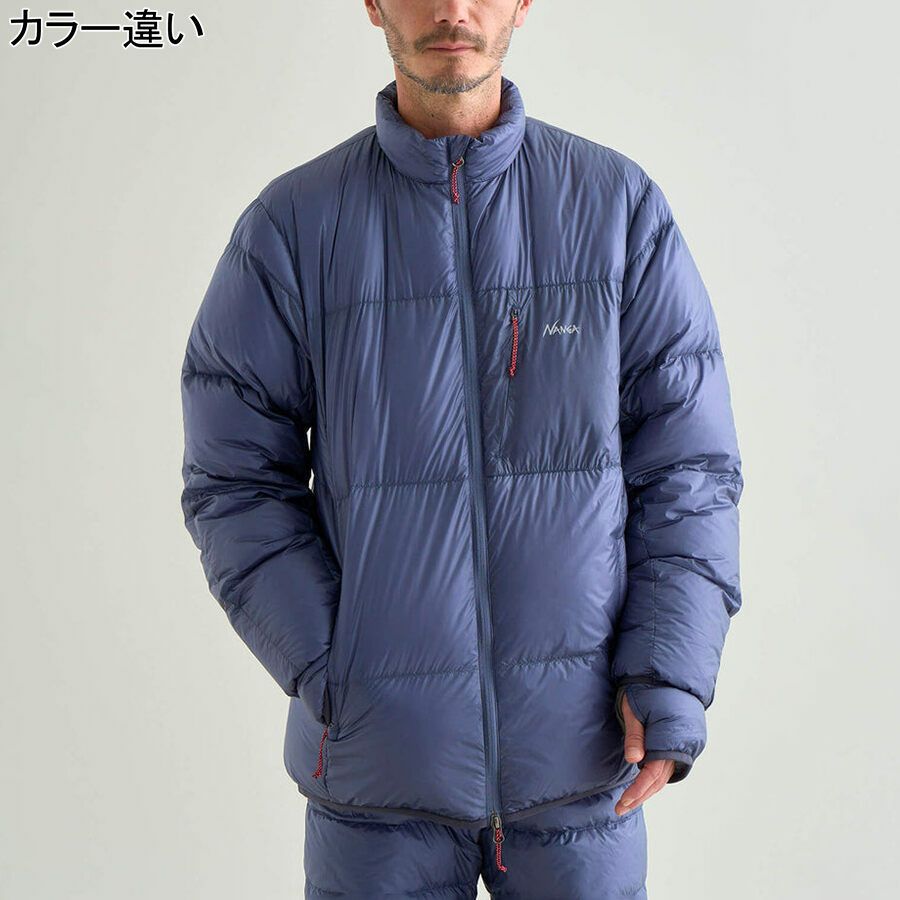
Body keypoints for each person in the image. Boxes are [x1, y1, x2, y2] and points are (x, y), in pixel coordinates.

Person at [179, 1, 744, 896]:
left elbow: (689, 470)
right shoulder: (293, 227)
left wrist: (667, 674)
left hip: (582, 764)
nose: (452, 10)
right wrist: (333, 667)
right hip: (376, 778)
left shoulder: (615, 208)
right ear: (373, 3)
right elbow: (233, 476)